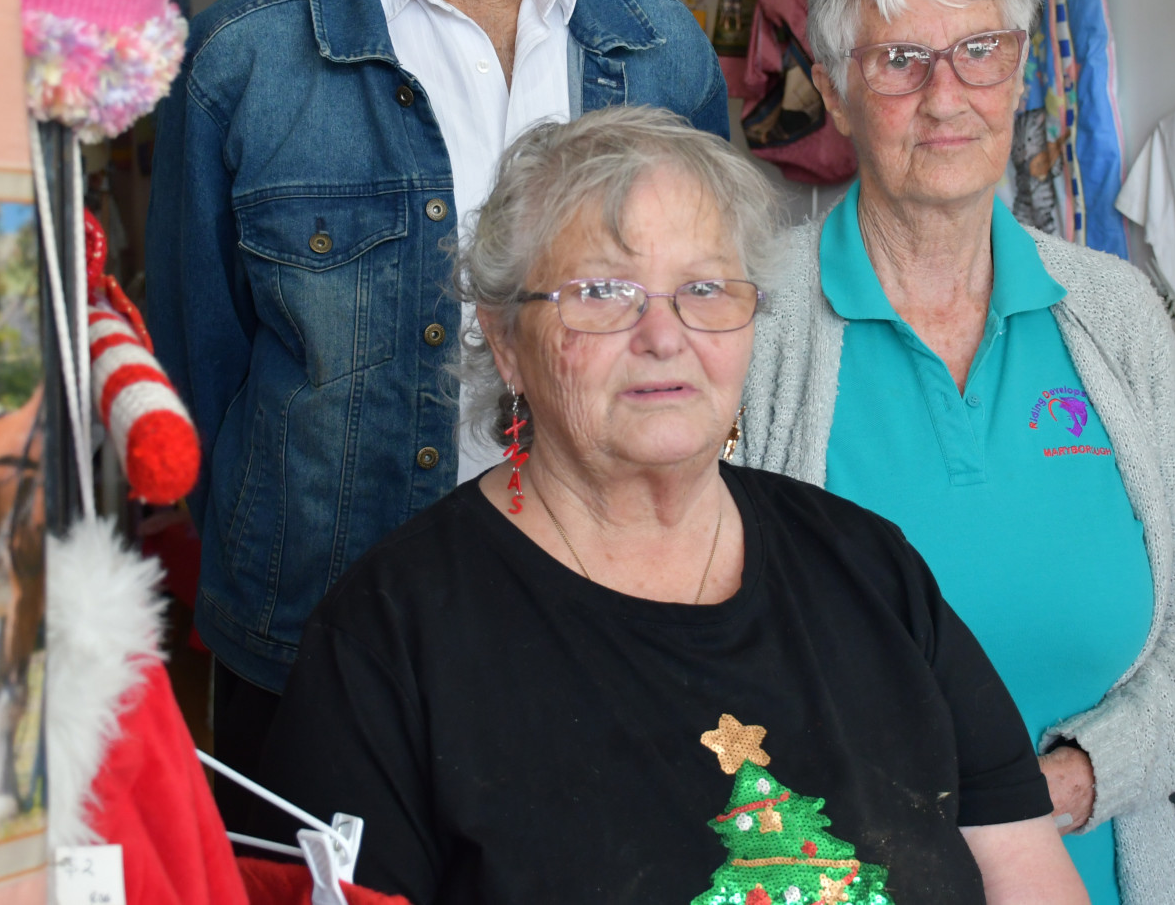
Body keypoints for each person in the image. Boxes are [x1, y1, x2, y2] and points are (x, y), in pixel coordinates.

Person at [145, 0, 729, 791]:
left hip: (610, 618)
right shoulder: (239, 60)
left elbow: (705, 331)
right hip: (320, 643)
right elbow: (195, 375)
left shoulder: (660, 52)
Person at [253, 107, 1088, 905]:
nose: (664, 335)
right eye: (602, 292)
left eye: (705, 288)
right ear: (507, 342)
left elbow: (1023, 863)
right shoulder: (385, 643)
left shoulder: (871, 568)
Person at [738, 0, 1175, 905]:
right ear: (834, 95)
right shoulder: (751, 318)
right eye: (898, 61)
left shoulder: (1112, 311)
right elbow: (683, 635)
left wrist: (1060, 787)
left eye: (980, 50)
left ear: (1018, 74)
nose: (946, 97)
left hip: (1098, 865)